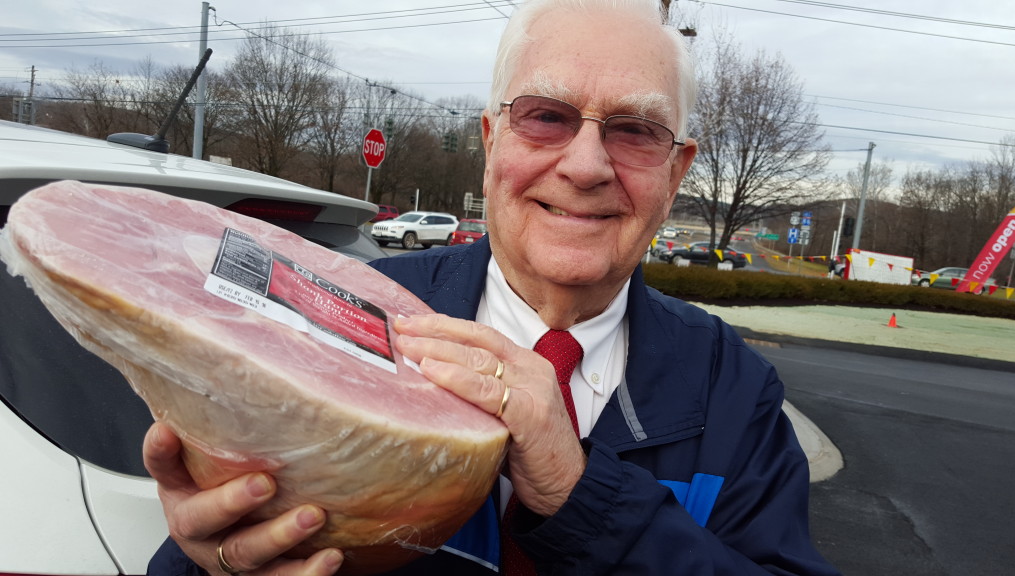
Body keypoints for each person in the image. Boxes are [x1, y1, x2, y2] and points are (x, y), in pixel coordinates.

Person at [146, 0, 840, 574]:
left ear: (677, 171)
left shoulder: (734, 389)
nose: (587, 164)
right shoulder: (343, 314)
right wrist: (207, 563)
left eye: (634, 129)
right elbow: (235, 530)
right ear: (490, 140)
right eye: (546, 116)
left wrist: (578, 493)